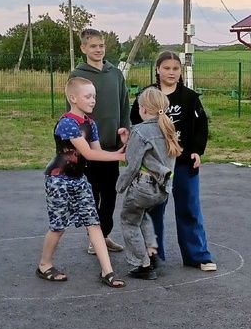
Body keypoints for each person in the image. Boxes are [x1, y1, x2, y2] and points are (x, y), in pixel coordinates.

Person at [36, 77, 128, 288]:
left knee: (94, 223)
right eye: (88, 96)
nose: (93, 100)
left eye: (94, 96)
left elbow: (97, 151)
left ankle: (108, 271)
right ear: (73, 98)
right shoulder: (67, 123)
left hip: (79, 180)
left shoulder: (90, 123)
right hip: (58, 181)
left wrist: (122, 151)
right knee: (58, 226)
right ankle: (44, 264)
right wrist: (120, 157)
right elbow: (87, 153)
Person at [132, 51, 215, 271]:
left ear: (181, 71)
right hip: (155, 165)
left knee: (189, 208)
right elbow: (134, 123)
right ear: (157, 69)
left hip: (184, 163)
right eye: (166, 68)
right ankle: (153, 257)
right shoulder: (146, 95)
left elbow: (201, 127)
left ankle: (198, 255)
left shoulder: (189, 98)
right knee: (153, 210)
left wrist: (197, 151)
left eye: (175, 68)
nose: (171, 72)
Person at [70, 28, 129, 257]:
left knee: (111, 193)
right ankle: (95, 239)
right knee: (92, 195)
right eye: (93, 46)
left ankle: (103, 235)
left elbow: (125, 104)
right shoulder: (78, 75)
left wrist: (126, 129)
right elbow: (73, 110)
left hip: (112, 145)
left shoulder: (115, 74)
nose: (98, 50)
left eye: (101, 45)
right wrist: (77, 143)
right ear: (84, 48)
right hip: (89, 148)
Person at [115, 88, 182, 280]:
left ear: (143, 109)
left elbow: (133, 163)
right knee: (142, 217)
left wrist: (120, 185)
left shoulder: (140, 131)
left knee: (128, 220)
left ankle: (142, 264)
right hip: (161, 190)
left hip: (142, 188)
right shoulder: (168, 129)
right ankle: (152, 254)